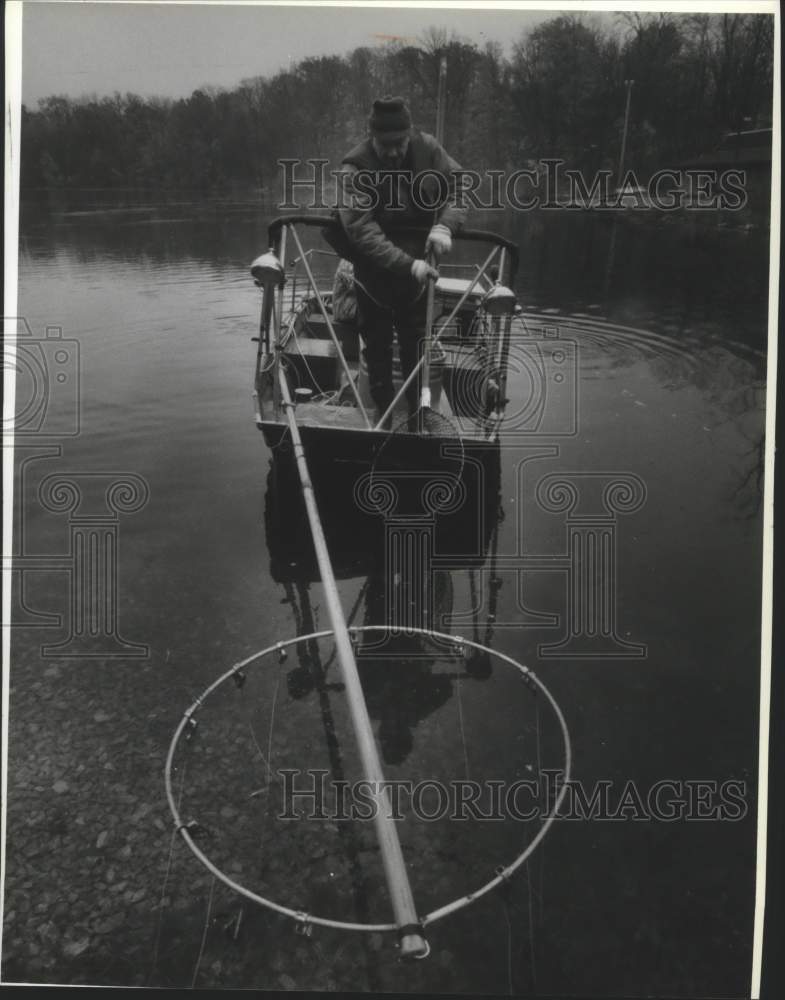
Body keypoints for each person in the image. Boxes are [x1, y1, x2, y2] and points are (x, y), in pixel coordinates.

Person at [332, 96, 467, 424]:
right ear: (371, 136)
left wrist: (445, 226)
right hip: (373, 275)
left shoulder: (430, 149)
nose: (394, 151)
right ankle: (383, 415)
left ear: (410, 134)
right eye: (385, 144)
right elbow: (362, 231)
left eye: (400, 142)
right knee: (376, 348)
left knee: (417, 347)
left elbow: (461, 188)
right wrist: (409, 265)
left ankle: (419, 416)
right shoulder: (354, 169)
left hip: (418, 280)